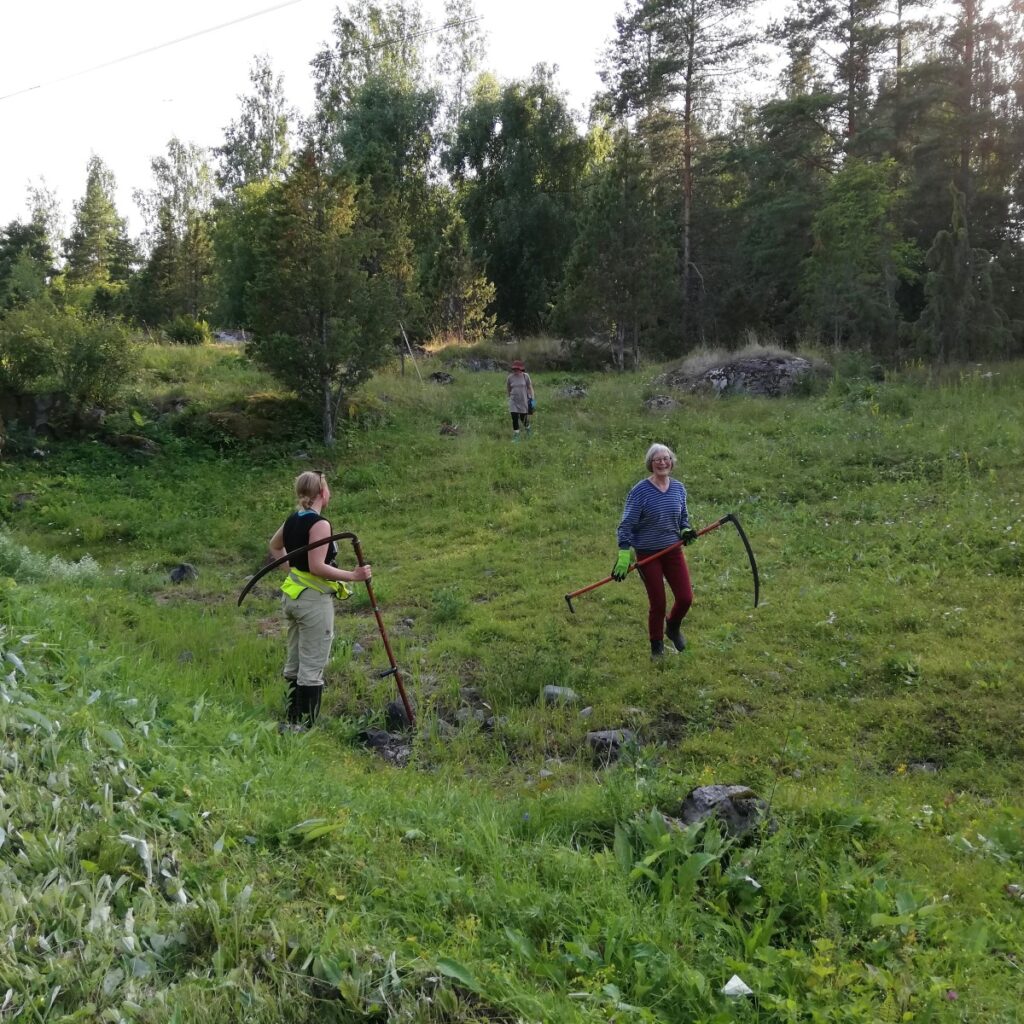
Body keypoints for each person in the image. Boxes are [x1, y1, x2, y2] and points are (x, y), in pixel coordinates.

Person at [268, 470, 372, 729]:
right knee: (313, 663)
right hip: (313, 602)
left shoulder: (293, 519)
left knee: (295, 658)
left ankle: (292, 717)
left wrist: (291, 571)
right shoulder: (320, 523)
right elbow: (316, 566)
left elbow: (275, 546)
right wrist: (353, 575)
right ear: (322, 493)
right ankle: (307, 725)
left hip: (293, 598)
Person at [612, 443, 698, 658]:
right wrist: (624, 553)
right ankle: (656, 646)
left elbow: (683, 519)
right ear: (650, 464)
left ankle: (673, 627)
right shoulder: (640, 491)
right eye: (657, 459)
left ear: (672, 462)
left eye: (666, 458)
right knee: (658, 602)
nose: (662, 462)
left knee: (685, 598)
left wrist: (686, 530)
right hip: (649, 553)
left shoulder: (678, 488)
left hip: (672, 549)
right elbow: (627, 524)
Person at [506, 359, 535, 442]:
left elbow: (530, 387)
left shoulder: (526, 376)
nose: (516, 370)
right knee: (514, 417)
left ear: (521, 369)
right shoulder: (510, 377)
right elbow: (508, 388)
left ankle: (528, 430)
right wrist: (509, 397)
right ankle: (516, 436)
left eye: (517, 369)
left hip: (524, 401)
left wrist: (532, 398)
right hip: (513, 401)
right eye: (514, 369)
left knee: (523, 418)